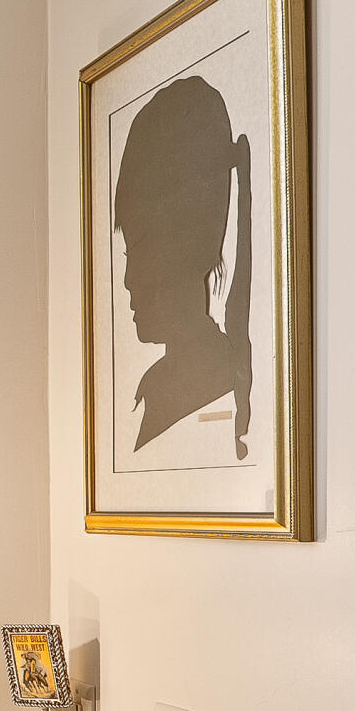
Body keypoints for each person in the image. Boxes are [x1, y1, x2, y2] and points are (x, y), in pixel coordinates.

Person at [113, 75, 253, 456]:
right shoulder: (154, 391)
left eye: (140, 252)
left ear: (196, 244)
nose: (127, 280)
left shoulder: (215, 381)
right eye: (128, 255)